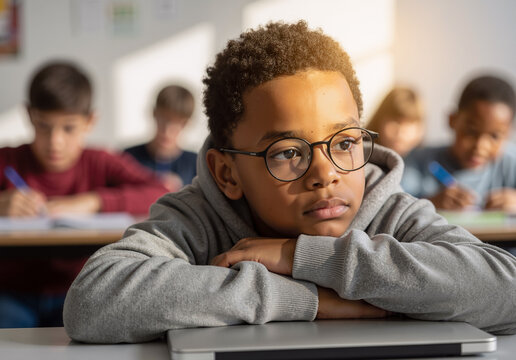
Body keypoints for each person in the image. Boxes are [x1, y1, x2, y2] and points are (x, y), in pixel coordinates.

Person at [63, 21, 516, 343]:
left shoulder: (390, 209)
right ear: (227, 172)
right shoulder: (199, 216)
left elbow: (506, 292)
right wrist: (307, 299)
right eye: (287, 153)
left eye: (344, 142)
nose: (326, 173)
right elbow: (94, 301)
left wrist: (302, 256)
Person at [0, 61, 168, 328]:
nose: (55, 141)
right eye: (44, 126)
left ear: (90, 121)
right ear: (29, 115)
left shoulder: (99, 161)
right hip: (12, 294)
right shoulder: (8, 160)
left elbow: (161, 190)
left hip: (80, 292)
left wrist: (93, 201)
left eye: (68, 128)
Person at [401, 75, 516, 211]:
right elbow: (395, 209)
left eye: (494, 136)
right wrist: (428, 203)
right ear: (452, 120)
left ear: (509, 133)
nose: (480, 147)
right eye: (471, 132)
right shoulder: (418, 162)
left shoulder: (511, 163)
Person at [124, 85, 197, 191]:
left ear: (186, 124)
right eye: (163, 119)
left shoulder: (196, 165)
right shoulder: (128, 159)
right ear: (154, 114)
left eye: (176, 123)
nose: (167, 131)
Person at [366, 87, 425, 157]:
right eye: (395, 121)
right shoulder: (362, 154)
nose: (400, 132)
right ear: (379, 119)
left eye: (409, 123)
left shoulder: (426, 162)